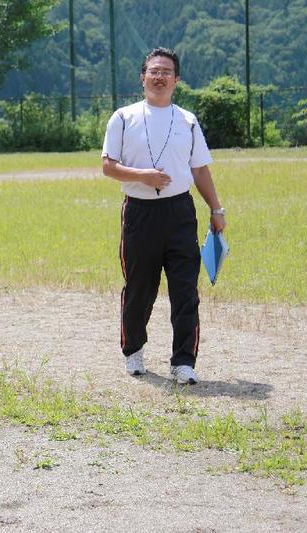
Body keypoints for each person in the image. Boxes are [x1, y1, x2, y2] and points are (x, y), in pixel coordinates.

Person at [101, 47, 226, 384]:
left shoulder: (188, 120)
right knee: (140, 288)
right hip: (139, 213)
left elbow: (199, 169)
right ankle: (134, 350)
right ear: (142, 77)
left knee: (186, 289)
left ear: (177, 79)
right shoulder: (123, 117)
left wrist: (216, 209)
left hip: (180, 212)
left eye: (166, 72)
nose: (159, 77)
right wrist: (144, 176)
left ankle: (183, 361)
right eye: (153, 71)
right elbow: (108, 166)